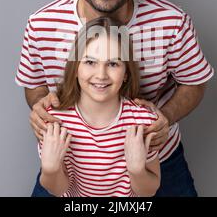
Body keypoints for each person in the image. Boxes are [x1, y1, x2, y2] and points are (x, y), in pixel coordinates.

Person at [15, 0, 214, 196]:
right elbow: (34, 85)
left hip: (153, 157)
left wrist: (163, 119)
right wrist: (40, 109)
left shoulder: (171, 21)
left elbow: (194, 82)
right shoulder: (42, 24)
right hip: (72, 162)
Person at [39, 16, 160, 197]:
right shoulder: (55, 120)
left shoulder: (143, 121)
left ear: (126, 72)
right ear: (76, 67)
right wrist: (50, 169)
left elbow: (149, 191)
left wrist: (137, 171)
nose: (101, 75)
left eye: (113, 64)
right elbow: (58, 189)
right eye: (90, 62)